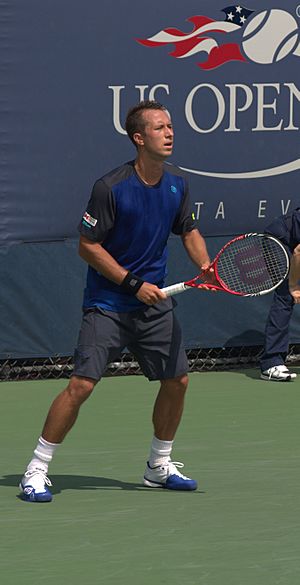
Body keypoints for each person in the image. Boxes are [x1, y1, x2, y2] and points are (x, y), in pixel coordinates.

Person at [19, 100, 217, 502]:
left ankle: (158, 466)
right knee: (81, 386)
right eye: (160, 128)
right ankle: (36, 470)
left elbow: (189, 230)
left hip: (154, 304)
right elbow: (88, 247)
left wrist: (205, 265)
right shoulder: (110, 188)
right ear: (139, 138)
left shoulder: (177, 183)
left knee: (177, 381)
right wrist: (132, 283)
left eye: (171, 126)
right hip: (109, 304)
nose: (170, 133)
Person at [260, 208, 300, 382]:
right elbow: (299, 252)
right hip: (279, 240)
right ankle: (271, 362)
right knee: (286, 295)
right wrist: (293, 285)